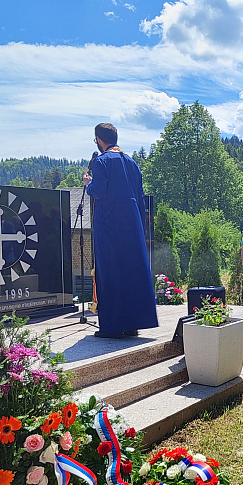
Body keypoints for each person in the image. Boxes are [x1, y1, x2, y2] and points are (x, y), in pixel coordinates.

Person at [84, 122, 158, 338]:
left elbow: (97, 191)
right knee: (130, 271)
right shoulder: (132, 163)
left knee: (110, 271)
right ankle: (132, 324)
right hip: (132, 224)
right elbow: (141, 199)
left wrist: (87, 183)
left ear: (99, 140)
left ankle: (113, 327)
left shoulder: (101, 161)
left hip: (109, 224)